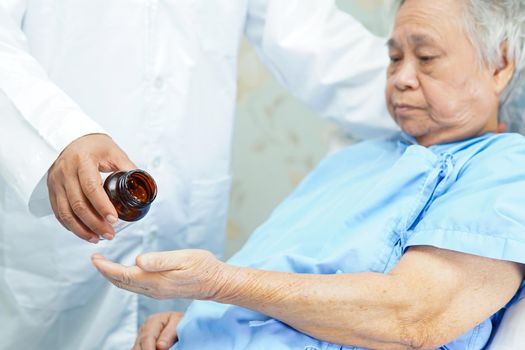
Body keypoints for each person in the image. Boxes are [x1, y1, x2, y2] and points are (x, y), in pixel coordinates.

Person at [93, 0, 525, 349]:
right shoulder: (353, 161)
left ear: (500, 64)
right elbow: (273, 284)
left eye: (426, 57)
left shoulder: (506, 169)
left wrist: (217, 287)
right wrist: (197, 320)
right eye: (394, 58)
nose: (401, 78)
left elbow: (414, 316)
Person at [0, 1, 399, 349]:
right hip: (53, 231)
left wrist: (442, 83)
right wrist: (60, 135)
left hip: (182, 224)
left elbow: (316, 40)